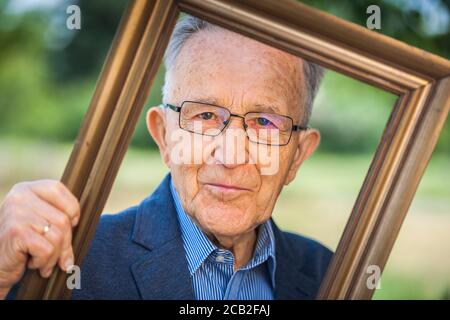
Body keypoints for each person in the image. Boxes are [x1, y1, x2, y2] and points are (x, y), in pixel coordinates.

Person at [0, 15, 332, 300]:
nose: (230, 156)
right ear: (163, 137)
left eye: (263, 122)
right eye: (204, 116)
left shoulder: (331, 276)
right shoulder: (68, 262)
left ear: (297, 156)